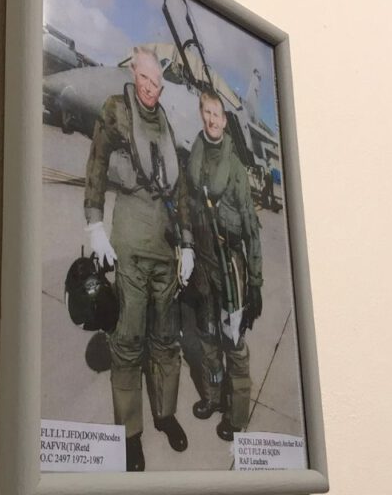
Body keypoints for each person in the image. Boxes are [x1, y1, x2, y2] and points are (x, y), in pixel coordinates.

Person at [83, 46, 195, 472]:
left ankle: (165, 415)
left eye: (156, 84)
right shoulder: (117, 111)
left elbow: (179, 190)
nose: (150, 90)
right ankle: (130, 435)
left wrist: (187, 244)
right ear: (134, 75)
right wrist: (94, 224)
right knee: (128, 342)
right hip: (129, 241)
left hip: (165, 249)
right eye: (144, 81)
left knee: (166, 341)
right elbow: (95, 164)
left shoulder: (165, 122)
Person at [186, 90, 263, 441]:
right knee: (207, 339)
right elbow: (187, 203)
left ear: (224, 117)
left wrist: (256, 283)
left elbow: (251, 229)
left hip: (230, 266)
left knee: (234, 343)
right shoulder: (196, 156)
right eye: (206, 112)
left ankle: (237, 414)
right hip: (202, 264)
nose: (211, 119)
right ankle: (214, 398)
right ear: (201, 114)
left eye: (216, 113)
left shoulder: (235, 168)